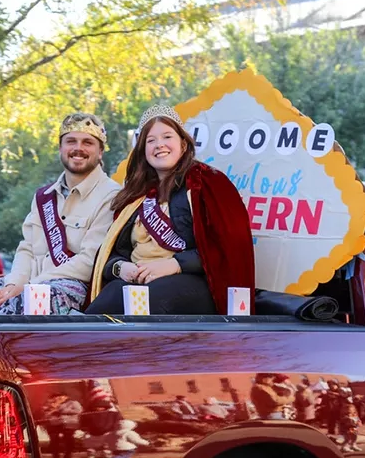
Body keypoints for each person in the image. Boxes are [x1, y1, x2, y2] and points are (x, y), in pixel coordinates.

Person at [0, 112, 121, 401]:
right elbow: (26, 248)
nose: (78, 148)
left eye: (88, 142)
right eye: (71, 140)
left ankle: (5, 401)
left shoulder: (112, 196)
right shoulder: (44, 197)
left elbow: (90, 261)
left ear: (100, 152)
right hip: (29, 285)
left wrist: (29, 286)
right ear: (61, 147)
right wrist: (14, 282)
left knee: (27, 302)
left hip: (71, 287)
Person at [86, 105, 255, 315]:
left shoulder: (208, 182)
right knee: (111, 296)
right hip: (139, 280)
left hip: (191, 283)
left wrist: (175, 264)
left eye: (167, 137)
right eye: (151, 140)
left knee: (150, 298)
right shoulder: (134, 195)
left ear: (183, 144)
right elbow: (112, 253)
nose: (159, 145)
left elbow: (228, 247)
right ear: (143, 150)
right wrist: (120, 267)